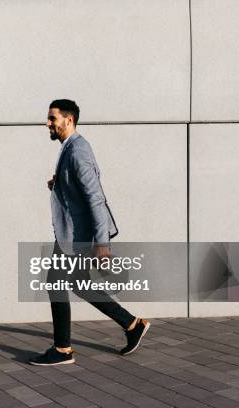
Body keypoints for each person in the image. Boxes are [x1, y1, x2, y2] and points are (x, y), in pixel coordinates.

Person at [29, 99, 150, 366]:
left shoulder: (77, 150)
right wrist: (59, 184)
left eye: (52, 118)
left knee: (56, 283)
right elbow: (81, 190)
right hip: (75, 233)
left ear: (68, 120)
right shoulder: (70, 147)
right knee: (75, 283)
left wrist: (102, 244)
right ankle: (131, 324)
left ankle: (62, 350)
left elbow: (95, 197)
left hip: (78, 235)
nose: (47, 123)